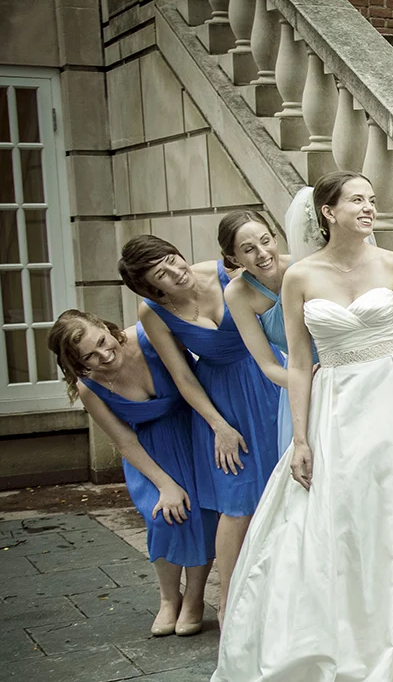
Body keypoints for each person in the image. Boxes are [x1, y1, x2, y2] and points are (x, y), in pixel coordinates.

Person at [209, 171, 393, 682]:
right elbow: (298, 362)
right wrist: (303, 438)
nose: (369, 207)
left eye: (372, 199)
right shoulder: (300, 277)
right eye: (357, 199)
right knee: (345, 521)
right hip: (336, 402)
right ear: (328, 212)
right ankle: (346, 646)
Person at [122, 235, 284, 622]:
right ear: (151, 288)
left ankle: (280, 591)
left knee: (281, 487)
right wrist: (218, 426)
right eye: (163, 273)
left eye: (174, 259)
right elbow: (182, 376)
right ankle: (229, 601)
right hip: (217, 401)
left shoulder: (226, 273)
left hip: (265, 382)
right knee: (236, 500)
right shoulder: (153, 313)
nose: (177, 272)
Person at [48, 310, 219, 636]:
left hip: (193, 434)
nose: (104, 354)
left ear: (105, 325)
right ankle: (169, 598)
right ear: (77, 362)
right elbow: (124, 441)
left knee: (202, 513)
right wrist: (165, 485)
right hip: (148, 452)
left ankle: (195, 598)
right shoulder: (90, 388)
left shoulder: (149, 336)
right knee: (163, 516)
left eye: (101, 341)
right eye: (90, 356)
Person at [222, 208, 315, 449]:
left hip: (343, 373)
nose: (262, 254)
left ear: (275, 239)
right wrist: (309, 385)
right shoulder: (238, 293)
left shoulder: (304, 266)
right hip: (298, 385)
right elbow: (268, 365)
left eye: (265, 241)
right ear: (234, 259)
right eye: (248, 249)